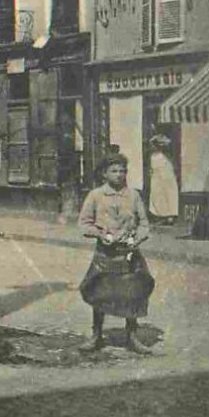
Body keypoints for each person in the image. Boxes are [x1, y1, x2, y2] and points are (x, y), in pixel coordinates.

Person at [78, 152, 155, 355]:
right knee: (99, 292)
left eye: (122, 171)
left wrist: (135, 238)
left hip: (129, 253)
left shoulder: (134, 195)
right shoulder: (95, 195)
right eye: (114, 171)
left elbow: (144, 224)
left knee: (133, 292)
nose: (119, 175)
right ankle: (96, 335)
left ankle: (132, 336)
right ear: (104, 173)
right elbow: (84, 223)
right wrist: (100, 234)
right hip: (105, 253)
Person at [148, 135, 179, 223]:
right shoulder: (153, 156)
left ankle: (169, 216)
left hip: (166, 179)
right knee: (158, 197)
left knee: (167, 196)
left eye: (153, 145)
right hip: (157, 179)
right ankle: (161, 216)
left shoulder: (164, 157)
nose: (152, 147)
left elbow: (167, 170)